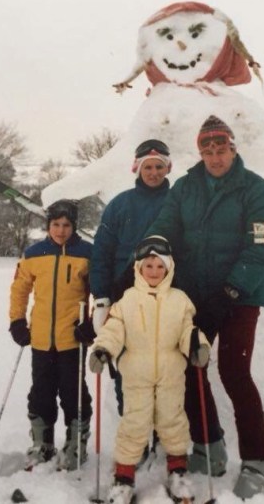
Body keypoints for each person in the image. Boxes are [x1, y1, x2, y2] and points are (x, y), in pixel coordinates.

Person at [146, 115, 264, 499]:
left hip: (241, 296)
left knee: (235, 372)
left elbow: (262, 246)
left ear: (233, 149)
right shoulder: (185, 188)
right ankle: (209, 448)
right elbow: (165, 227)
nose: (215, 157)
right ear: (200, 153)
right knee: (189, 367)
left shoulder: (256, 190)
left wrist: (230, 292)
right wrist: (146, 257)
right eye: (208, 151)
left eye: (222, 149)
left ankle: (257, 462)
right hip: (196, 295)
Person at [88, 236, 210, 504]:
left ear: (169, 268)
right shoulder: (128, 300)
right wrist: (103, 349)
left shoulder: (180, 300)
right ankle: (123, 478)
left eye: (159, 266)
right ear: (139, 268)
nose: (154, 271)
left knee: (173, 420)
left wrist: (197, 346)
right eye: (148, 266)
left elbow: (187, 330)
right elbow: (114, 329)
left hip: (170, 374)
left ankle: (178, 472)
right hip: (136, 375)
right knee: (134, 423)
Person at [82, 139, 172, 460]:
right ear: (137, 168)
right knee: (127, 368)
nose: (153, 172)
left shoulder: (177, 202)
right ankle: (135, 435)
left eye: (159, 166)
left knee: (164, 366)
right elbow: (102, 254)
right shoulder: (120, 205)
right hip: (123, 300)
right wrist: (102, 297)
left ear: (167, 168)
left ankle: (163, 434)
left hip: (165, 298)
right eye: (148, 166)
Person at [8, 199, 94, 471]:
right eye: (56, 224)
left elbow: (101, 291)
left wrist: (92, 323)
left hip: (73, 338)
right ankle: (42, 443)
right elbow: (20, 289)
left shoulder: (87, 253)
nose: (61, 230)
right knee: (41, 391)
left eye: (66, 225)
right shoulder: (34, 253)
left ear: (74, 226)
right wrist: (17, 321)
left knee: (73, 392)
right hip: (41, 338)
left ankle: (76, 444)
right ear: (48, 225)